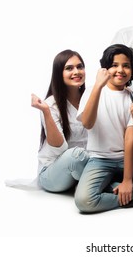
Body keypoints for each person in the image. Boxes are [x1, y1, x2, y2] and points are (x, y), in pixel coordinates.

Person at [74, 44, 133, 213]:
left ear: (132, 71)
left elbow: (129, 140)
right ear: (105, 69)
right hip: (99, 160)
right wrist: (97, 86)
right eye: (114, 65)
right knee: (84, 201)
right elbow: (88, 123)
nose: (120, 70)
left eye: (126, 66)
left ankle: (115, 188)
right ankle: (130, 198)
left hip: (128, 161)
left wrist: (127, 180)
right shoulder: (92, 91)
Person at [32, 49, 89, 193]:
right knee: (76, 155)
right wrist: (45, 112)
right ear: (59, 74)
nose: (76, 71)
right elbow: (60, 149)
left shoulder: (90, 99)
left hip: (82, 168)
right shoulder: (51, 104)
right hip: (53, 172)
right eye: (69, 68)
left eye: (79, 66)